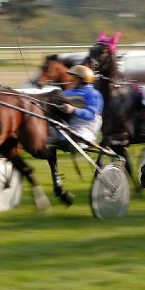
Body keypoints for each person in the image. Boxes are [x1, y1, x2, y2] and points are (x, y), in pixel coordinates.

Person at [52, 64, 104, 206]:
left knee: (73, 139)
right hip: (70, 126)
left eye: (73, 77)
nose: (70, 80)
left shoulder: (93, 94)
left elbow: (90, 114)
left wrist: (73, 110)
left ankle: (76, 142)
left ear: (83, 79)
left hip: (87, 126)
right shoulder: (68, 93)